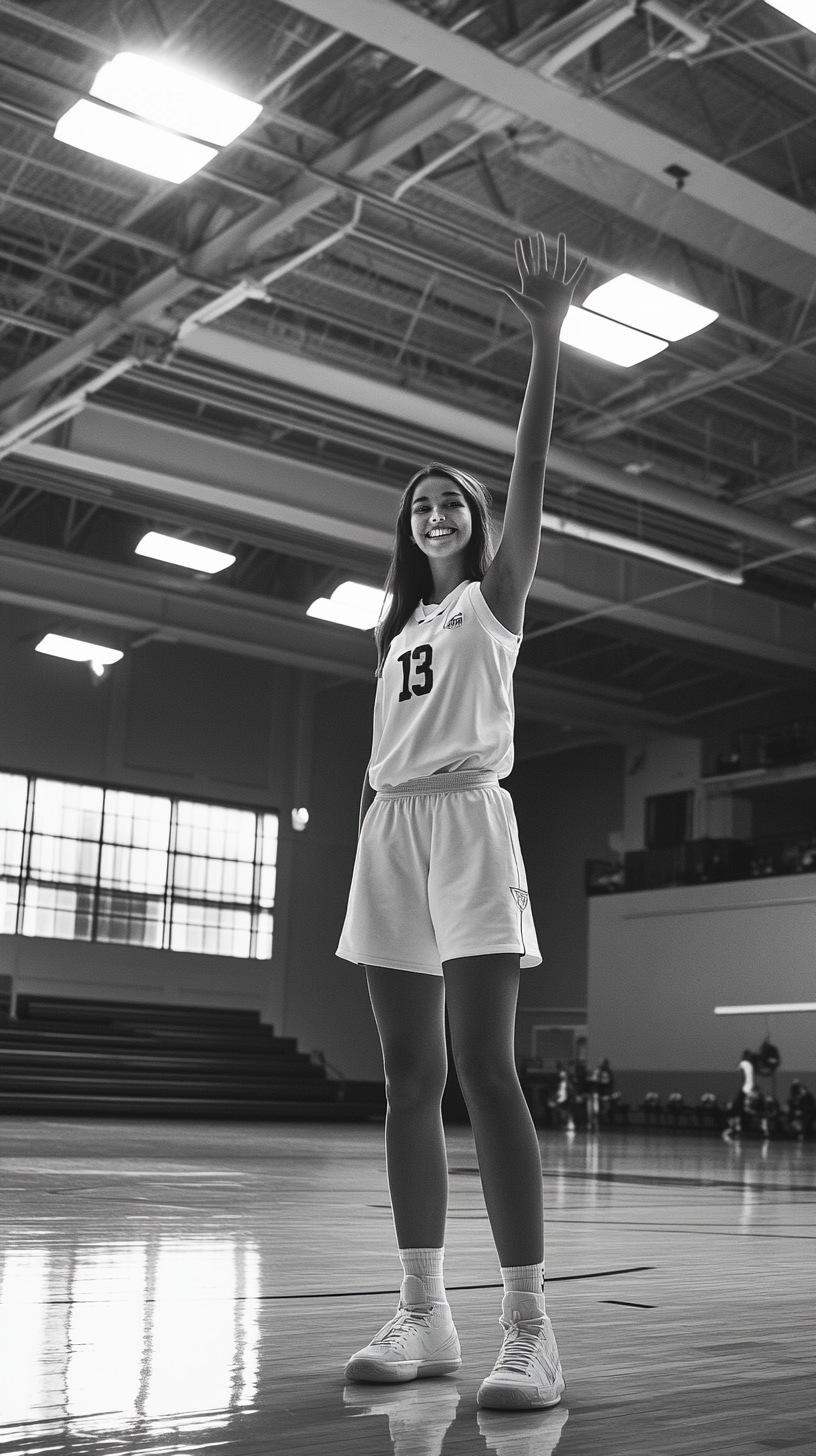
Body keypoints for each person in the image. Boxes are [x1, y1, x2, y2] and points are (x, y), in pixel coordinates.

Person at [337, 231, 587, 1411]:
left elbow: (531, 472)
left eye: (454, 498)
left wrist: (547, 338)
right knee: (404, 1074)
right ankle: (424, 1309)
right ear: (407, 529)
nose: (436, 507)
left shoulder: (495, 603)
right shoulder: (391, 632)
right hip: (390, 830)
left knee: (487, 1068)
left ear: (479, 524)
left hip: (473, 826)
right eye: (420, 501)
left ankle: (531, 1326)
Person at [723, 1049, 758, 1140]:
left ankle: (737, 1128)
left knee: (736, 1108)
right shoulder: (750, 1065)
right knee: (737, 1109)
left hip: (745, 1088)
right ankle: (737, 1127)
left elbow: (740, 1074)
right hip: (748, 1088)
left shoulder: (744, 1063)